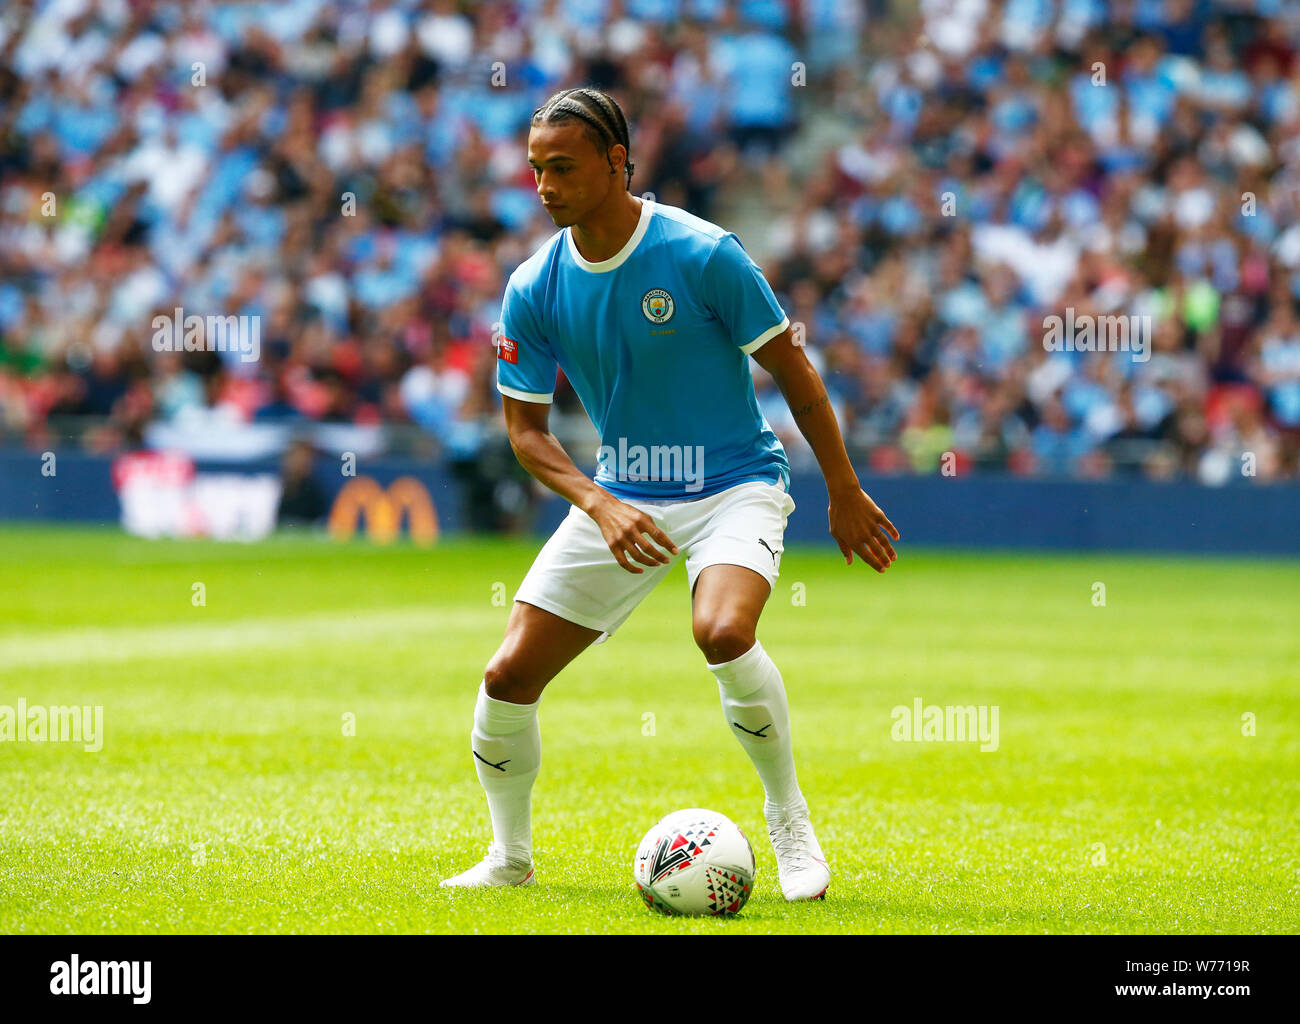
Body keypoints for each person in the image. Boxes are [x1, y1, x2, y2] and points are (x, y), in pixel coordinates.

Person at [441, 88, 900, 900]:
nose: (545, 185)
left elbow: (792, 372)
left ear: (618, 163)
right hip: (621, 496)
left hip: (735, 485)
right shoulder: (533, 285)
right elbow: (526, 432)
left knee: (721, 632)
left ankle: (789, 819)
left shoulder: (704, 253)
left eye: (564, 167)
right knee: (507, 677)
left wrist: (843, 487)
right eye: (536, 169)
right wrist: (600, 503)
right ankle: (509, 857)